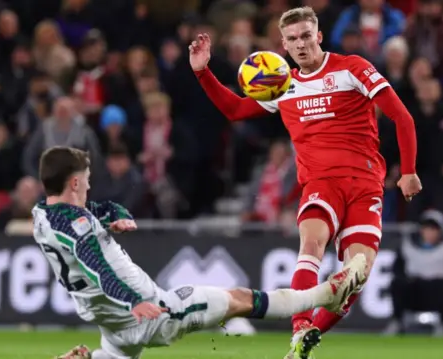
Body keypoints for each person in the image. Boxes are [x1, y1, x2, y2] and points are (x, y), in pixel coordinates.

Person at [189, 6, 421, 359]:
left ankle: (308, 337)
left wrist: (408, 170)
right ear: (282, 44)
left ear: (319, 36)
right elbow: (236, 111)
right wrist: (203, 72)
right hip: (319, 184)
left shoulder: (352, 68)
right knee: (311, 246)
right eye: (293, 39)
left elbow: (401, 116)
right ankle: (299, 330)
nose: (300, 45)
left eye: (306, 36)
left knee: (356, 277)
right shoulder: (282, 85)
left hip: (364, 184)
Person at [32, 146, 367, 359]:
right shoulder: (77, 227)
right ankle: (327, 293)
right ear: (74, 183)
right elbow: (97, 267)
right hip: (152, 314)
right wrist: (133, 300)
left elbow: (91, 210)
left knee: (115, 353)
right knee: (240, 300)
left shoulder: (43, 214)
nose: (89, 185)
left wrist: (114, 213)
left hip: (112, 325)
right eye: (86, 179)